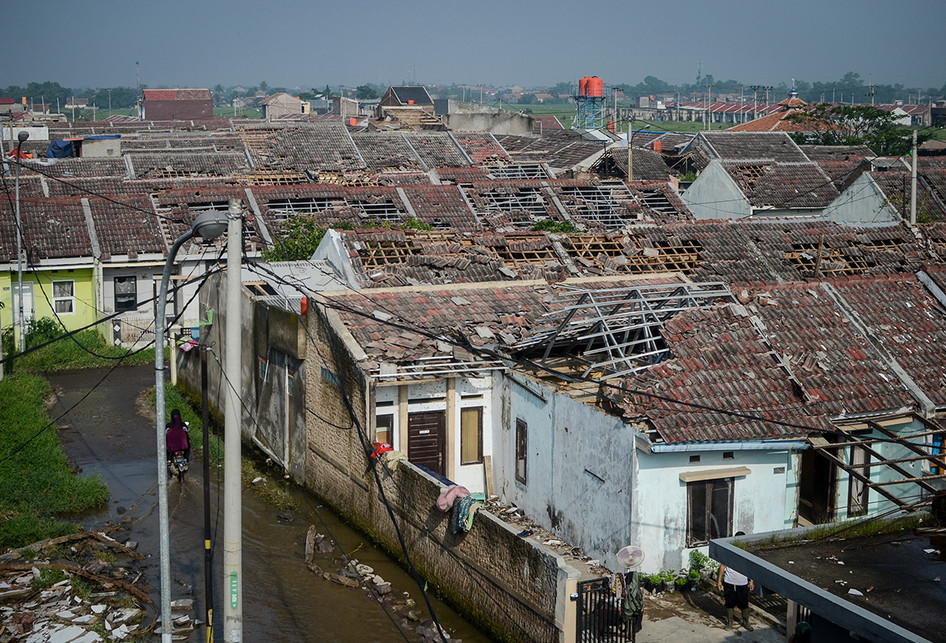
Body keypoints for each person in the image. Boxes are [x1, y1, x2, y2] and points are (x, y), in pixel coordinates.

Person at [716, 531, 754, 631]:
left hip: (742, 582)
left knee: (744, 603)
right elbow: (722, 566)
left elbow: (751, 567)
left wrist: (751, 581)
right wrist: (719, 581)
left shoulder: (747, 552)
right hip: (729, 582)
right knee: (729, 603)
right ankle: (730, 622)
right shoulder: (729, 551)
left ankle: (746, 622)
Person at [616, 545, 644, 641]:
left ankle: (630, 633)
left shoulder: (632, 577)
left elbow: (633, 592)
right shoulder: (633, 575)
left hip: (630, 604)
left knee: (628, 616)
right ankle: (631, 631)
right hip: (632, 603)